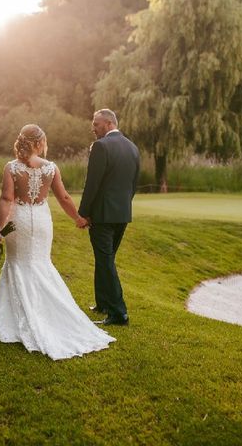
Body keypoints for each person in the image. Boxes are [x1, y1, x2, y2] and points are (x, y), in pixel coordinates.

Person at [0, 124, 116, 360]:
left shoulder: (11, 168)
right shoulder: (51, 168)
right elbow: (63, 197)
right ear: (40, 143)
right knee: (41, 264)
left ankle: (15, 318)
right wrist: (78, 218)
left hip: (19, 221)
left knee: (18, 264)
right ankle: (48, 314)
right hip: (42, 222)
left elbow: (6, 198)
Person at [78, 109, 140, 326]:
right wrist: (122, 207)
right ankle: (103, 302)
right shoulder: (133, 147)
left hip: (102, 216)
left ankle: (118, 313)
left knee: (105, 261)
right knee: (106, 259)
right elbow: (133, 185)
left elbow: (92, 184)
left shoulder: (101, 146)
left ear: (107, 123)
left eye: (96, 124)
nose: (93, 128)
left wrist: (83, 213)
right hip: (122, 214)